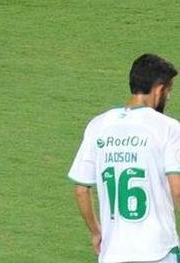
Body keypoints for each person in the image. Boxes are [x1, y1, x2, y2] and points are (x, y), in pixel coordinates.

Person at [68, 53, 180, 263]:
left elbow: (81, 190)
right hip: (159, 251)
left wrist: (96, 232)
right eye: (169, 90)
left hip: (114, 253)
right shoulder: (168, 128)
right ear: (159, 89)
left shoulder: (98, 125)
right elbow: (178, 190)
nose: (169, 97)